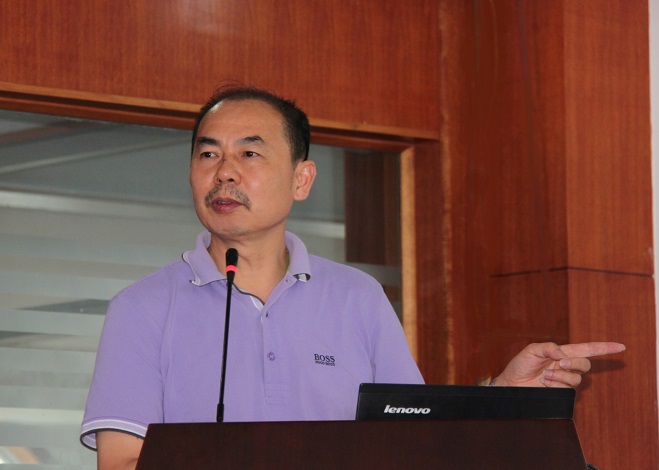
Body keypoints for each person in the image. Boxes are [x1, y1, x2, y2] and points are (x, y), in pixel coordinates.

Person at [80, 86, 626, 469]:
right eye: (208, 153)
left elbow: (414, 441)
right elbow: (122, 463)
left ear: (302, 179)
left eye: (249, 152)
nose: (224, 172)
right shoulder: (142, 308)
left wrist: (502, 397)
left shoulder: (357, 297)